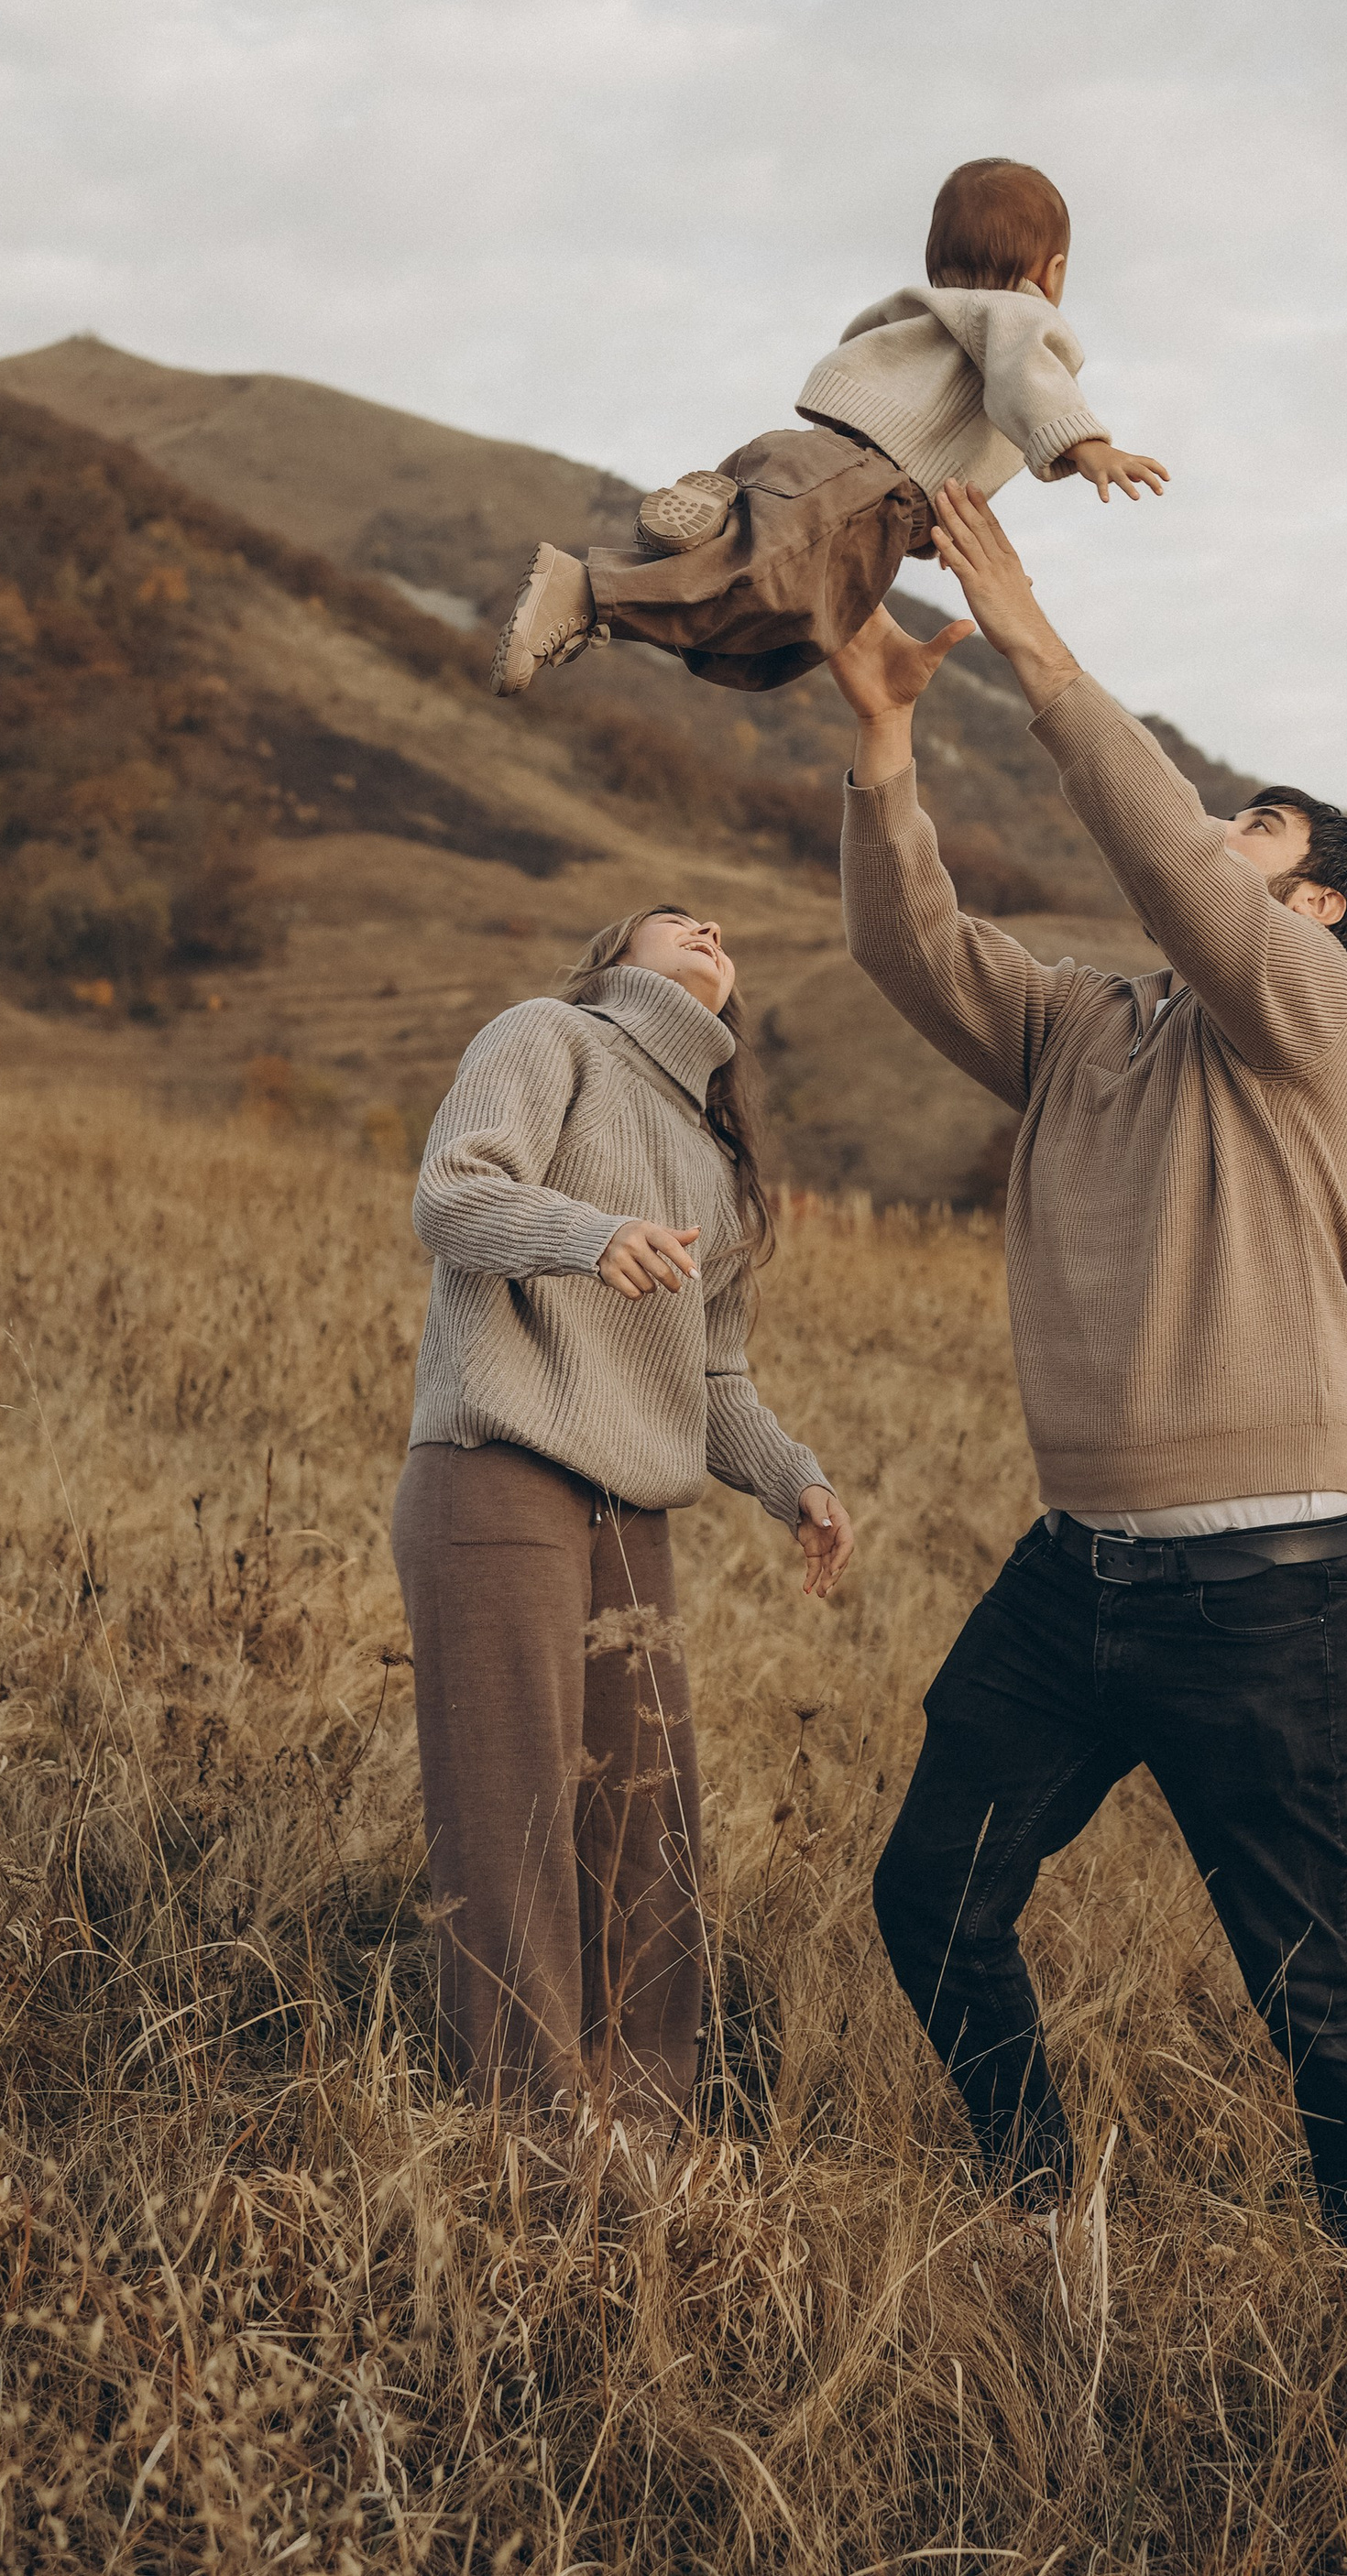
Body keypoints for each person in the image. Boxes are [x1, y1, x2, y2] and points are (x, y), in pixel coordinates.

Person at [832, 479, 1347, 2253]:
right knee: (931, 1889)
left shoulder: (1314, 1018)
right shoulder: (1087, 1023)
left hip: (1253, 1583)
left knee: (1302, 1969)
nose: (1217, 826)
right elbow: (910, 948)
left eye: (1256, 820)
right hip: (1072, 1565)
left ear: (1312, 902)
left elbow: (1165, 860)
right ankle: (1033, 2210)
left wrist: (1028, 638)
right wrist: (880, 756)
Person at [392, 902, 854, 2129]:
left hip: (629, 1514)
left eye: (720, 926)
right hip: (499, 1470)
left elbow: (713, 1379)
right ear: (611, 958)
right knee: (515, 1819)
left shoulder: (709, 1148)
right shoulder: (551, 1034)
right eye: (673, 918)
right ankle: (531, 2137)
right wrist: (590, 1237)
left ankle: (646, 2137)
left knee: (647, 1826)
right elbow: (453, 1196)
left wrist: (790, 1474)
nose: (708, 925)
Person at [488, 157, 1168, 698]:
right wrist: (1088, 445)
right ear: (1051, 273)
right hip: (865, 482)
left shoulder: (917, 313)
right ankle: (584, 589)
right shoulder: (1020, 315)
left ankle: (719, 520)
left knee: (782, 640)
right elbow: (1032, 379)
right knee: (769, 589)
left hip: (816, 463)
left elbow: (859, 360)